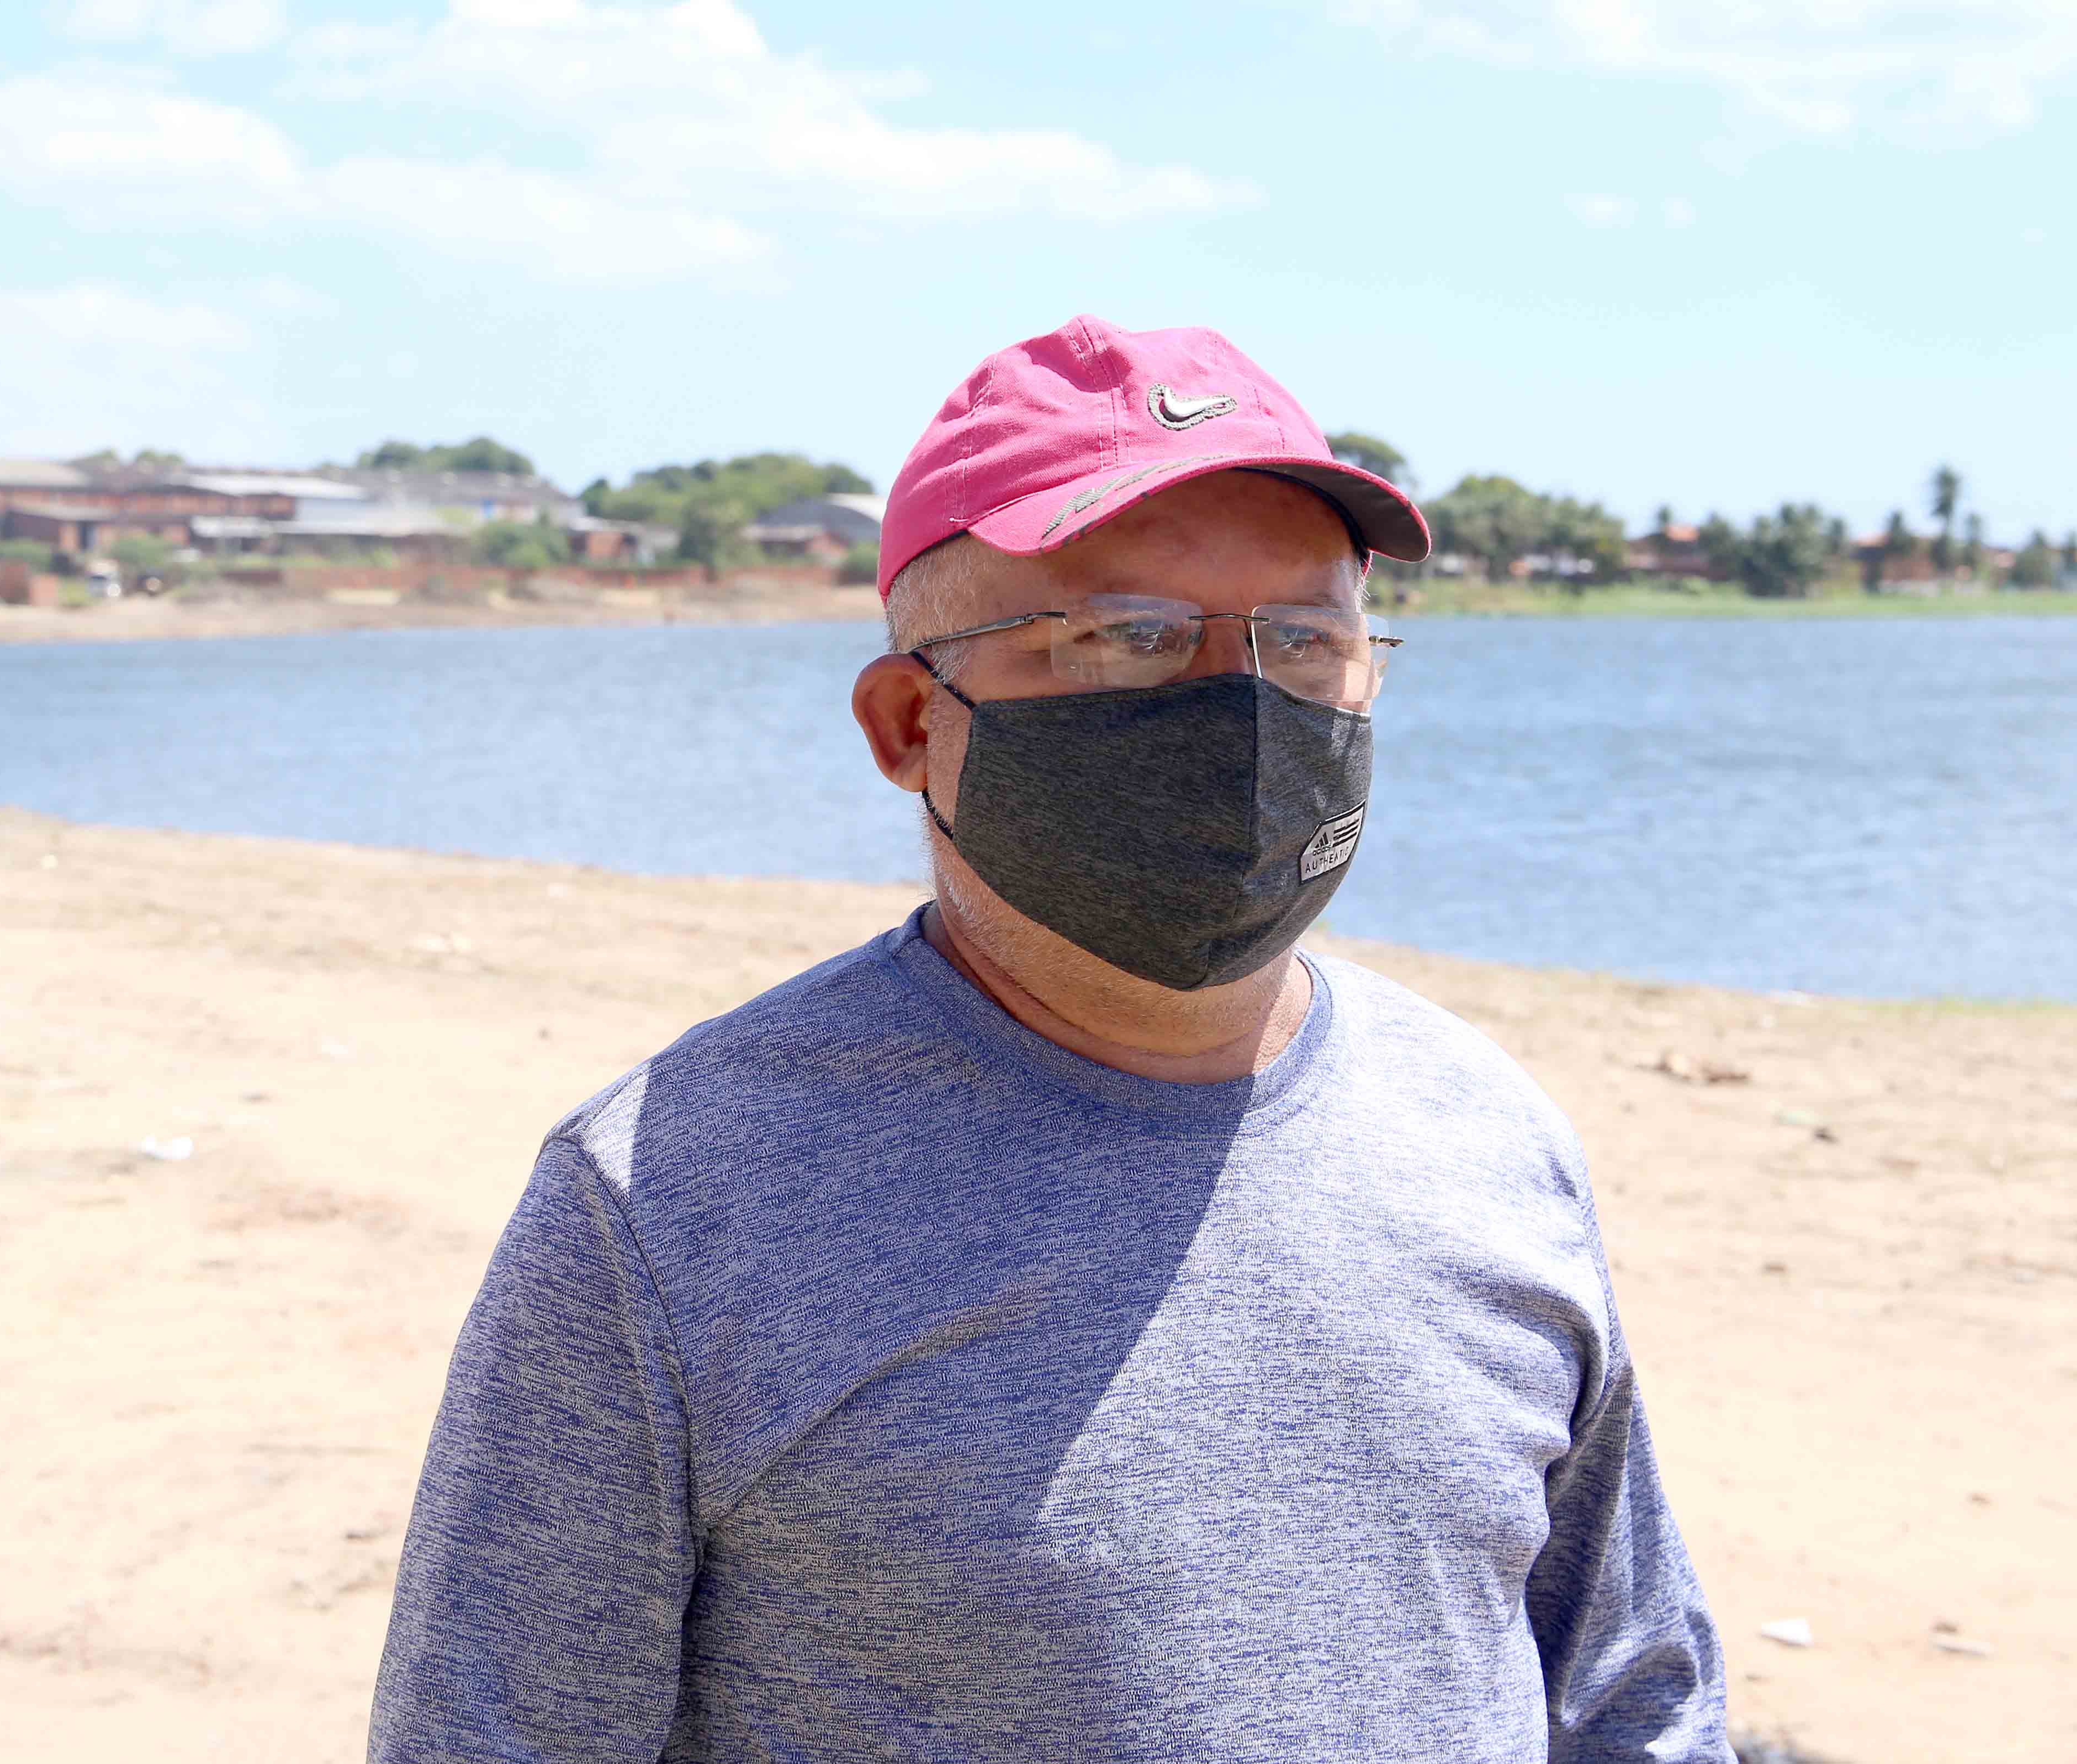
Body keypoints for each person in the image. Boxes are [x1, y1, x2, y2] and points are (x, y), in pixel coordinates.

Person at [369, 316, 1730, 1761]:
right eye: (1131, 635)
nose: (1244, 705)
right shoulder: (669, 1204)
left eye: (1308, 640)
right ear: (908, 721)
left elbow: (1631, 1691)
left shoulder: (1486, 1135)